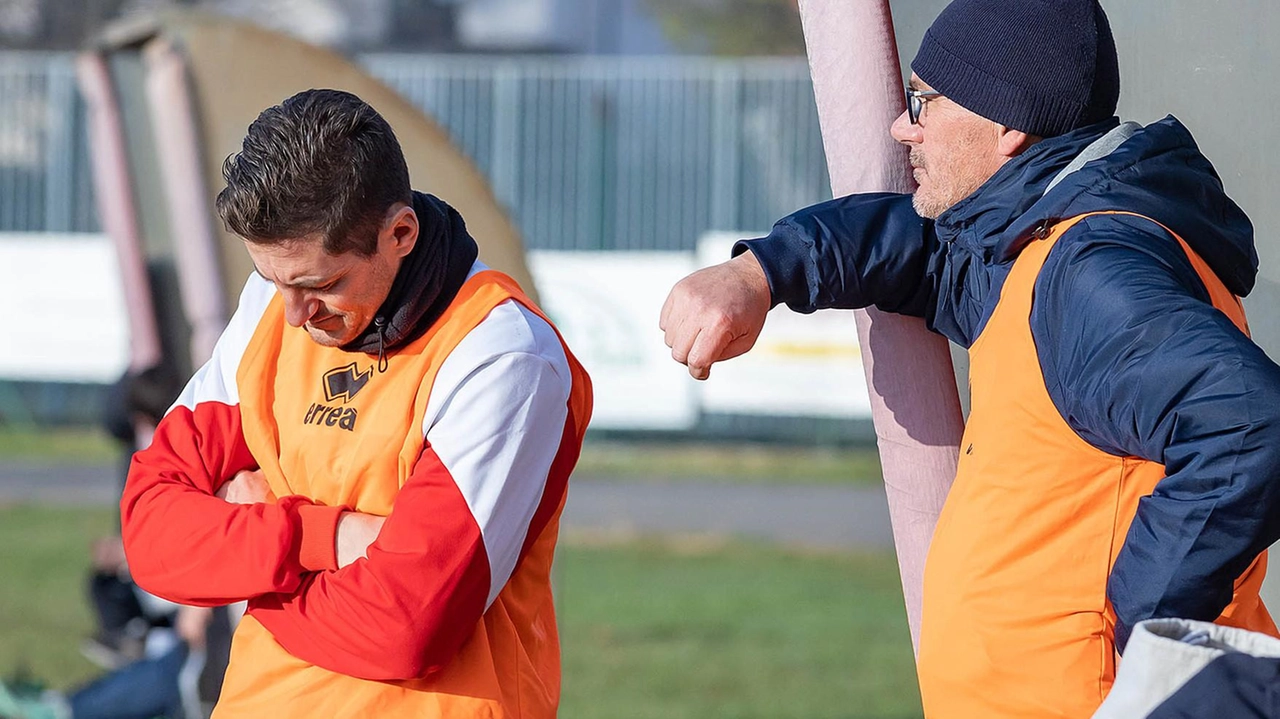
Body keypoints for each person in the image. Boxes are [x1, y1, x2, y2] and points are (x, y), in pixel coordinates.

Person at [660, 0, 1280, 717]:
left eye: (923, 103)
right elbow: (920, 251)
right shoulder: (1038, 247)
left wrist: (1153, 641)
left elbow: (1250, 425)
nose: (902, 126)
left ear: (1009, 127)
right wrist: (761, 273)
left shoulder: (1090, 266)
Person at [119, 88, 592, 717]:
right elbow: (151, 536)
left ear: (399, 233)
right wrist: (325, 536)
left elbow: (407, 626)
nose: (294, 313)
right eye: (272, 280)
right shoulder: (273, 310)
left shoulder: (502, 355)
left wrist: (245, 561)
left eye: (321, 284)